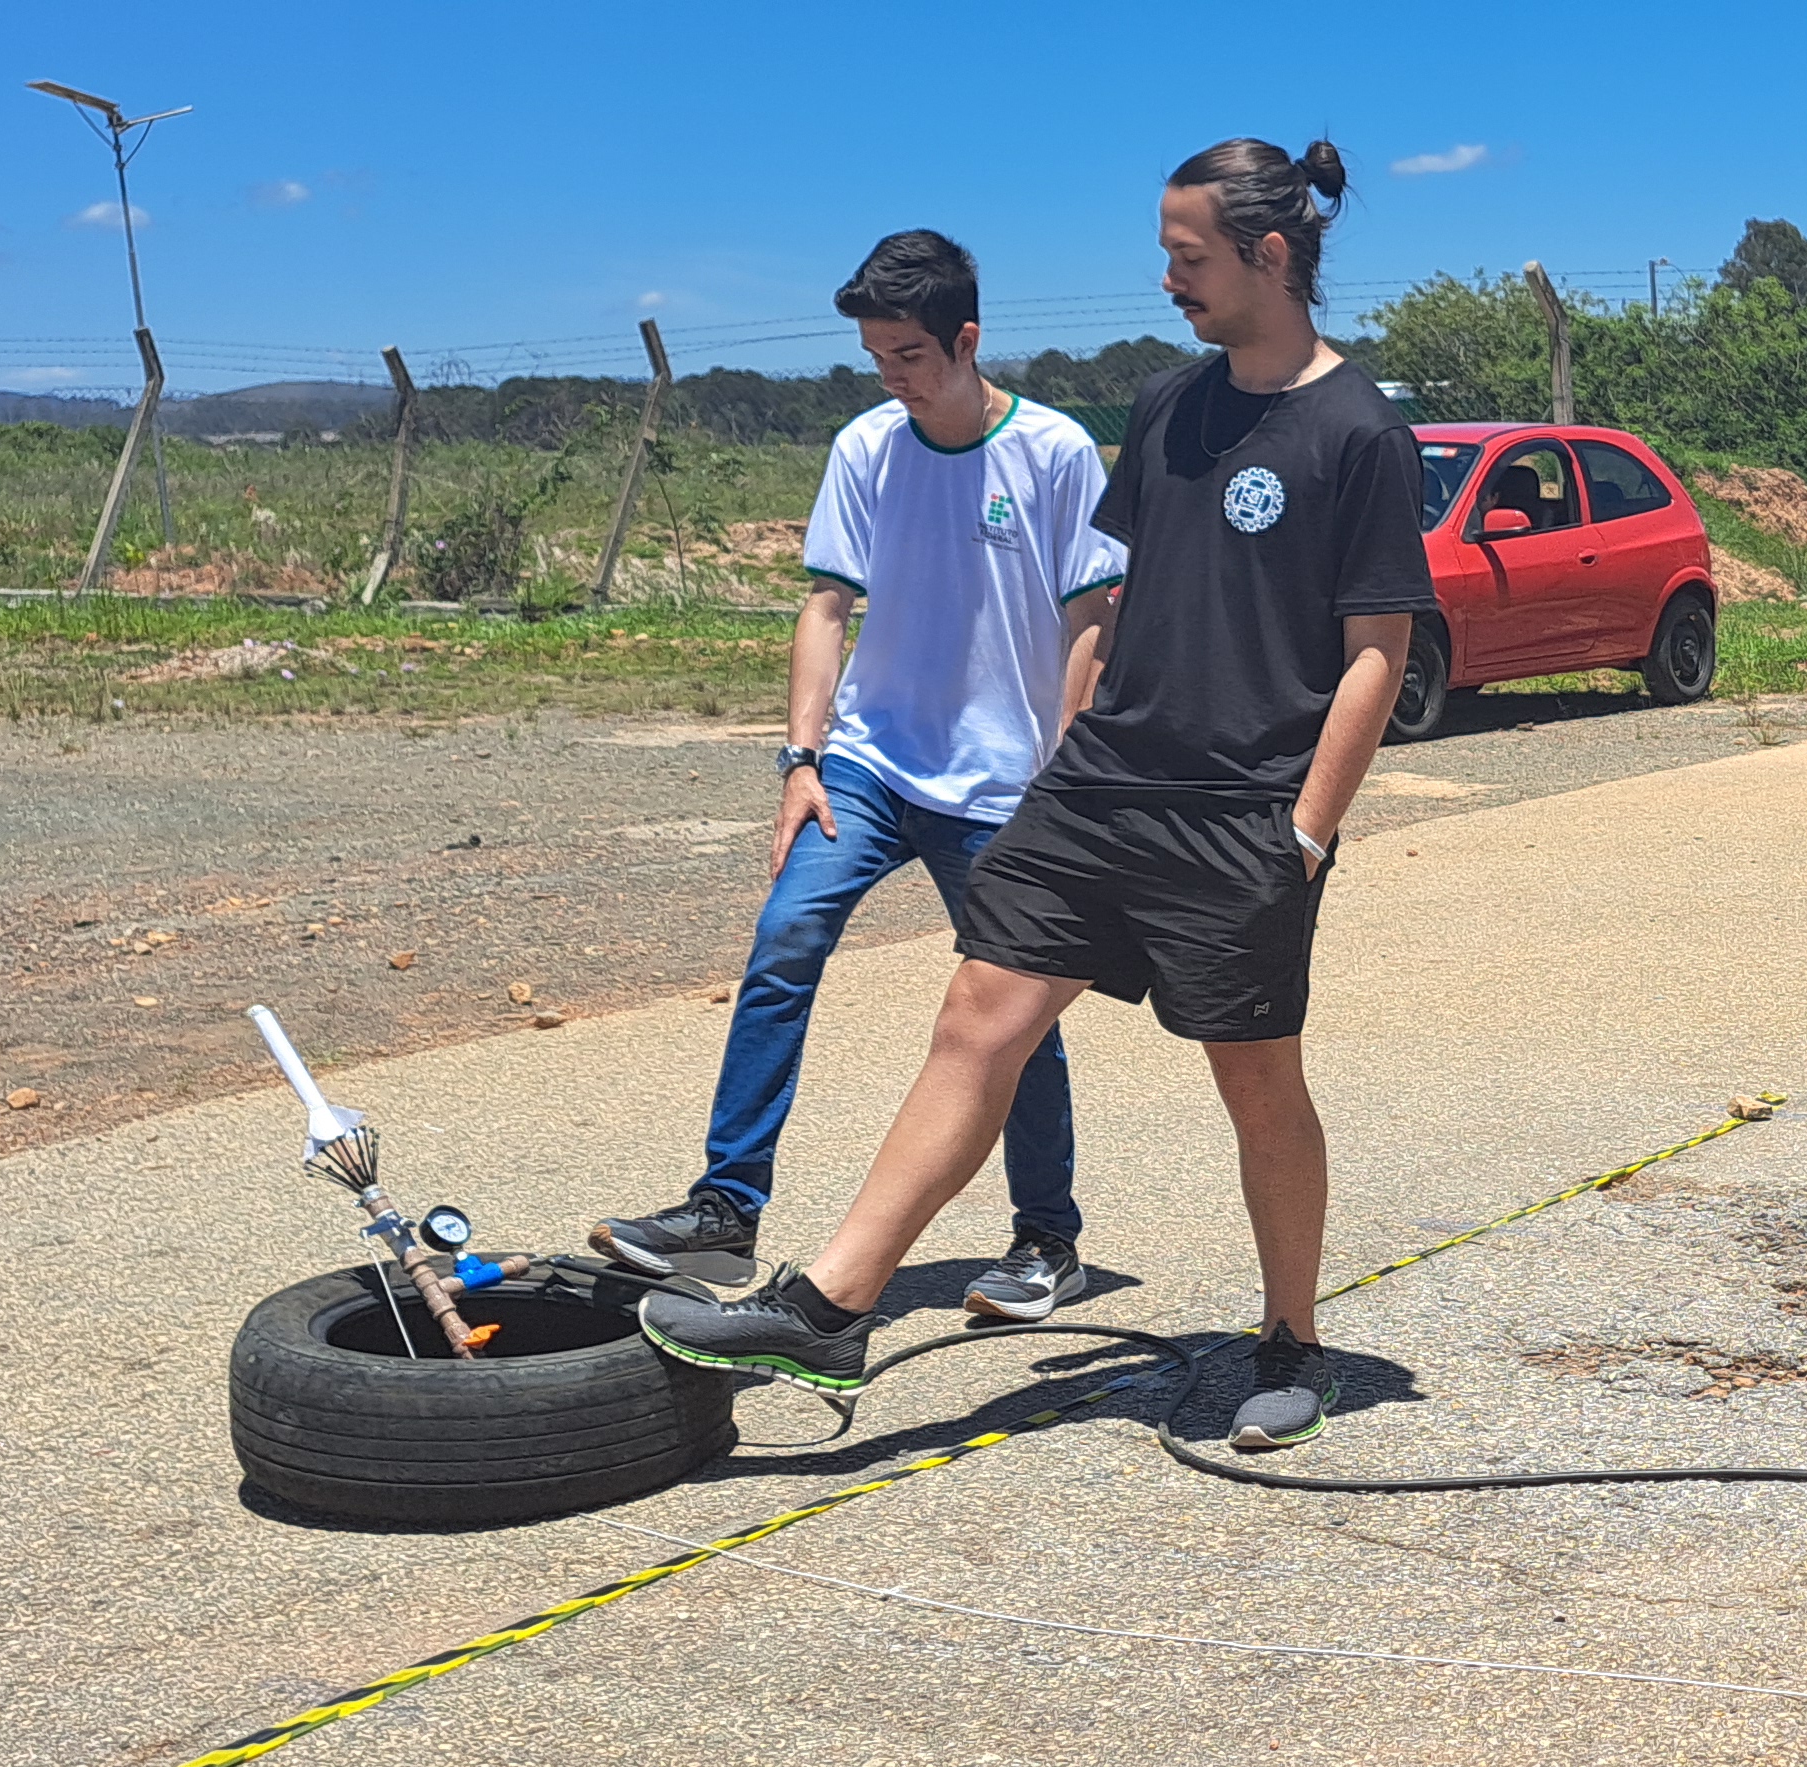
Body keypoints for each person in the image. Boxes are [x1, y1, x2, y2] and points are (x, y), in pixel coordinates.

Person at [639, 137, 1433, 1450]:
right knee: (978, 1017)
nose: (1167, 278)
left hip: (1240, 812)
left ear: (1267, 254)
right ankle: (830, 1307)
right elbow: (1110, 606)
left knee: (1254, 1081)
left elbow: (1376, 654)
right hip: (1100, 784)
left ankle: (1291, 1339)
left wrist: (1303, 833)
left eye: (1188, 256)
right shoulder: (1169, 405)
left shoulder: (1358, 430)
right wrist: (1069, 759)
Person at [588, 231, 1122, 1326]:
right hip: (872, 764)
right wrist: (801, 757)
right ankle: (726, 1210)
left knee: (1013, 1009)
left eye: (910, 355)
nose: (892, 376)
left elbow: (1092, 619)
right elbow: (826, 607)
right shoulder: (866, 446)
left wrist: (1068, 774)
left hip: (1006, 785)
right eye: (877, 356)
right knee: (785, 938)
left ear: (967, 339)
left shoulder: (1057, 451)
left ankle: (1046, 1240)